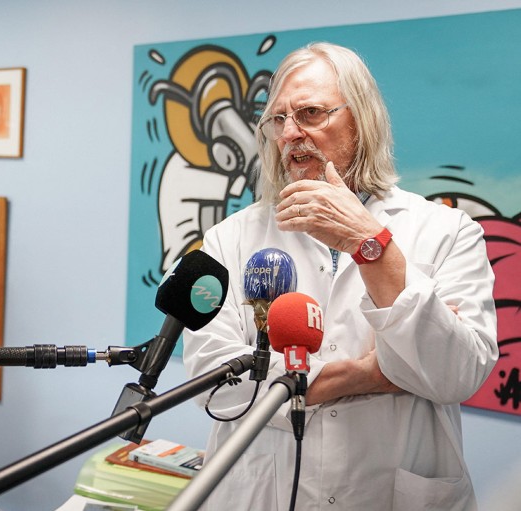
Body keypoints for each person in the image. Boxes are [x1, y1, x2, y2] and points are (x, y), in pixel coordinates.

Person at [183, 42, 498, 511]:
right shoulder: (230, 239)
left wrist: (369, 244)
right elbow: (216, 384)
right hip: (263, 492)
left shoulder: (447, 231)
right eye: (279, 119)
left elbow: (457, 374)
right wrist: (365, 374)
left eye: (310, 113)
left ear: (361, 119)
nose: (291, 133)